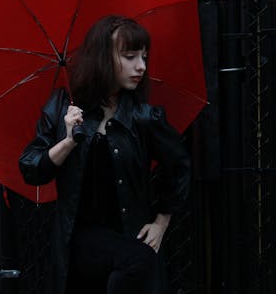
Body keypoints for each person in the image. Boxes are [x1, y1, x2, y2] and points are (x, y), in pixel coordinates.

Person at [18, 15, 191, 294]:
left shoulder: (144, 118)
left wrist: (160, 224)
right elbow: (31, 169)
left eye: (144, 57)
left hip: (129, 246)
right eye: (130, 56)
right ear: (101, 57)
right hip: (80, 246)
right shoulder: (64, 107)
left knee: (138, 261)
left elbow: (179, 167)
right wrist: (67, 141)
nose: (141, 67)